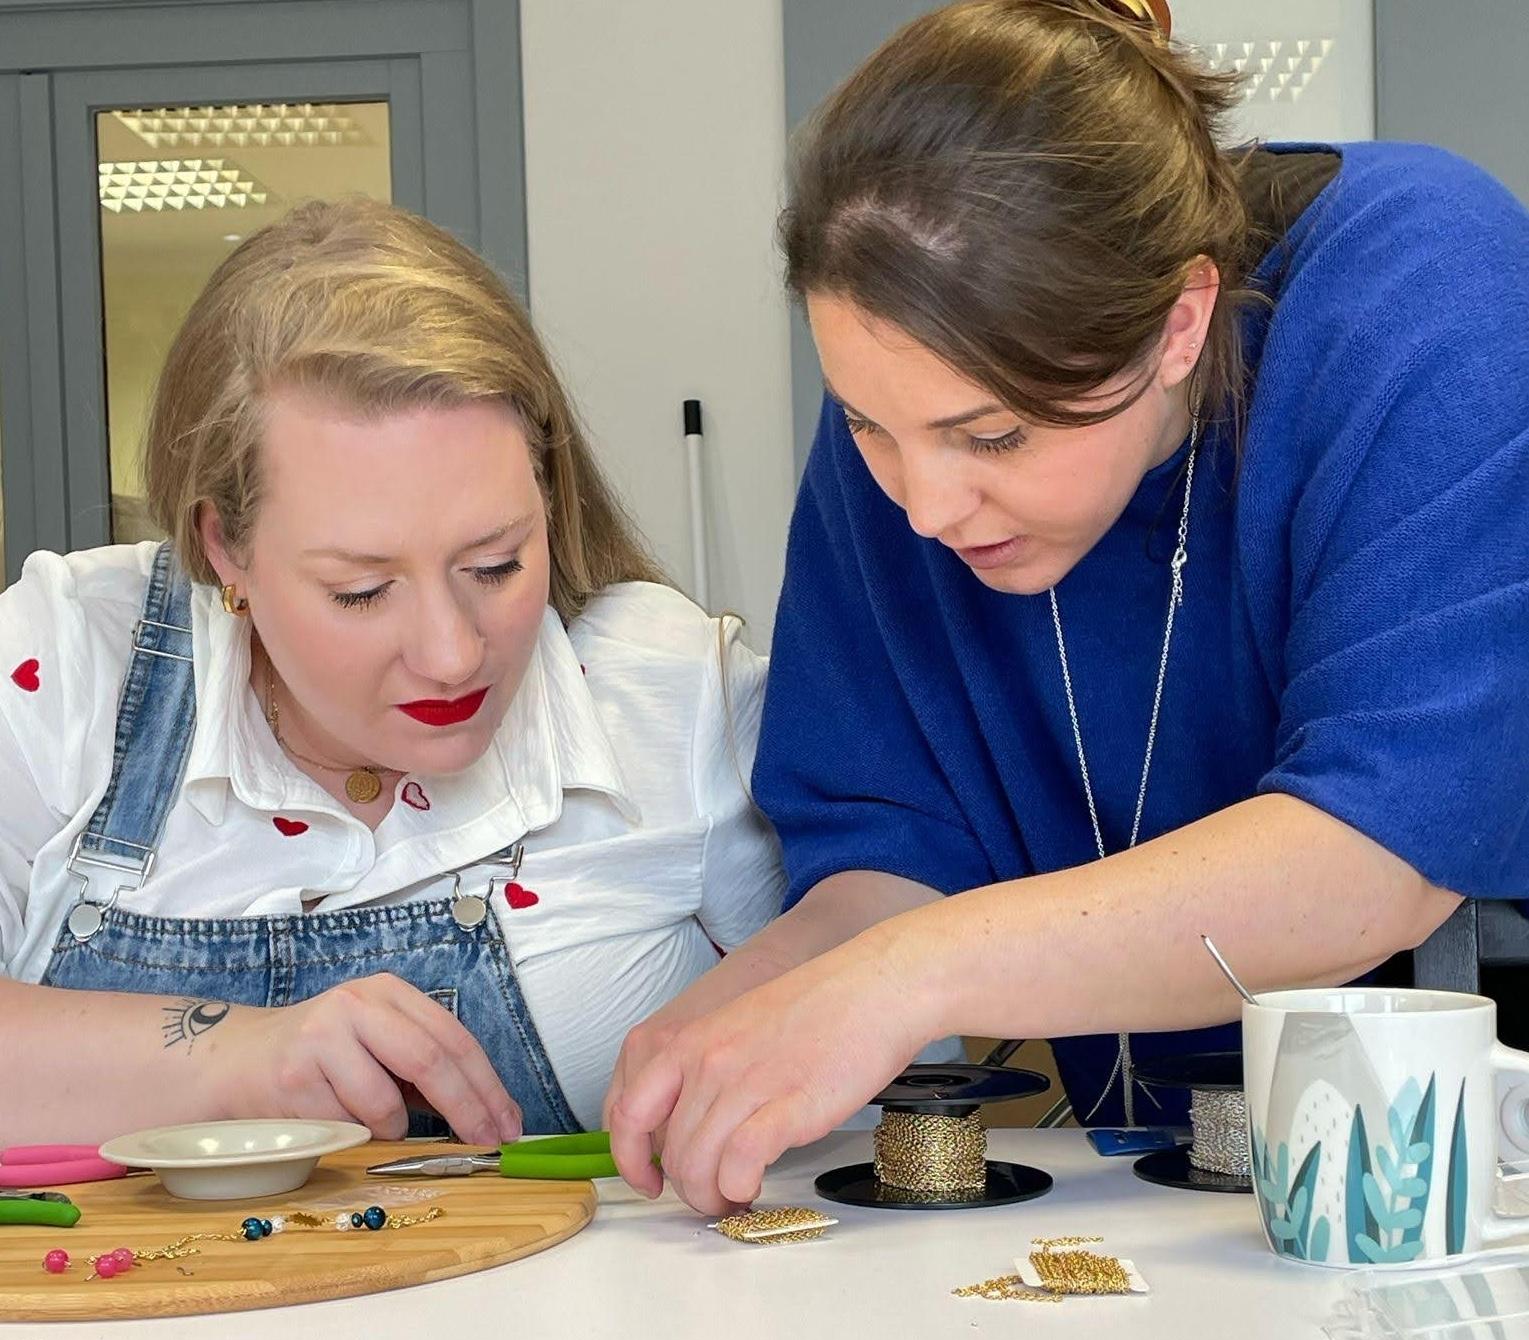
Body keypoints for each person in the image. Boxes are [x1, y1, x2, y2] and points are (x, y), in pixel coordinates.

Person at [607, 0, 1529, 1214]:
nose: (925, 507)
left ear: (1178, 326)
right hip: (1158, 1174)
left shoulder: (1425, 291)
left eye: (992, 433)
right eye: (870, 426)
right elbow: (891, 859)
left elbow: (1378, 851)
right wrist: (746, 1012)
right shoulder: (910, 435)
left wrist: (909, 978)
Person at [0, 199, 785, 1147]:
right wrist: (238, 1057)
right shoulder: (67, 663)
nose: (453, 654)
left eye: (495, 566)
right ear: (224, 548)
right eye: (362, 590)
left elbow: (870, 1068)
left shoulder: (667, 689)